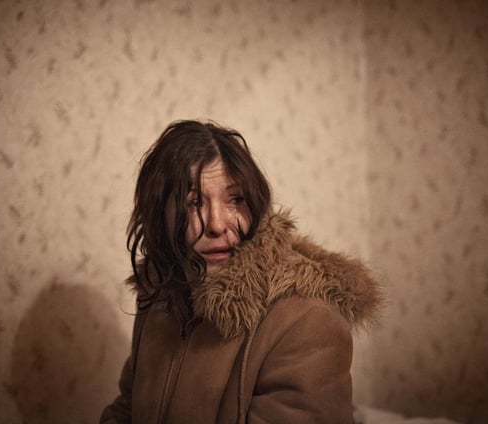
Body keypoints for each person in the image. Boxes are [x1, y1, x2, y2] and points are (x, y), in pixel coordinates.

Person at [100, 120, 382, 424]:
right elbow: (126, 409)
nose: (217, 224)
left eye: (236, 199)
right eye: (193, 202)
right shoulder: (160, 299)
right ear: (159, 216)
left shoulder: (308, 321)